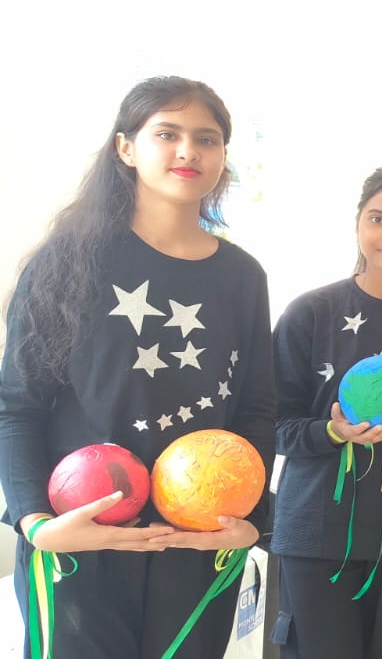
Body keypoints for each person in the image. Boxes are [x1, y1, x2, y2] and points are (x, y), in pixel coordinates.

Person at [0, 76, 276, 658]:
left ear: (223, 156)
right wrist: (37, 524)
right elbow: (18, 406)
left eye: (206, 139)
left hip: (197, 544)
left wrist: (252, 521)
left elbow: (255, 409)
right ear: (126, 148)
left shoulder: (243, 277)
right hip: (82, 540)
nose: (188, 151)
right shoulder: (66, 262)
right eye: (167, 134)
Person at [269, 166, 382, 658]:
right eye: (378, 219)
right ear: (357, 224)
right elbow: (273, 426)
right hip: (313, 535)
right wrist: (333, 433)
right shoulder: (310, 313)